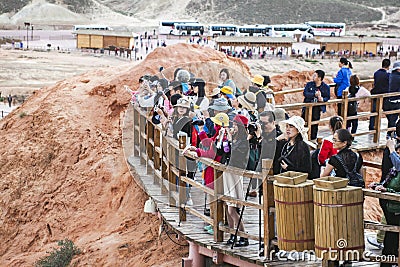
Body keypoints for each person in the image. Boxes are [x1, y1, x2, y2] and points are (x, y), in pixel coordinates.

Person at [369, 137, 400, 267]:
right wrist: (378, 186)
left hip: (396, 208)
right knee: (391, 233)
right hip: (393, 207)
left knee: (392, 234)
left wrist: (386, 189)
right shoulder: (395, 171)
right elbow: (389, 181)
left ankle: (389, 262)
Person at [223, 114, 250, 247]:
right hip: (229, 174)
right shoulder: (237, 139)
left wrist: (229, 137)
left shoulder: (243, 141)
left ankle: (243, 236)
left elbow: (234, 154)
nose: (232, 127)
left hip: (235, 174)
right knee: (230, 207)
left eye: (234, 125)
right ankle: (233, 234)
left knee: (232, 209)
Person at [302, 70, 330, 141]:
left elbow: (327, 97)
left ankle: (313, 139)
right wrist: (314, 94)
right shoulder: (309, 84)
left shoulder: (325, 87)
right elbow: (305, 93)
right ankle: (303, 138)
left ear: (319, 78)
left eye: (315, 76)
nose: (313, 77)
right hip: (307, 106)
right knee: (304, 122)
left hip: (317, 108)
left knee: (315, 123)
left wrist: (322, 99)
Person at [370, 59, 391, 130]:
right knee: (388, 112)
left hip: (376, 94)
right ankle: (390, 127)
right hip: (384, 95)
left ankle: (371, 127)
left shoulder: (376, 73)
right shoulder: (388, 75)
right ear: (388, 66)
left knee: (374, 112)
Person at [386, 61, 400, 137]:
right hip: (396, 100)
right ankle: (391, 134)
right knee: (393, 118)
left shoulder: (391, 75)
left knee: (392, 118)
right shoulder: (397, 77)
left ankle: (390, 133)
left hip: (391, 99)